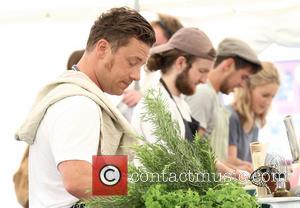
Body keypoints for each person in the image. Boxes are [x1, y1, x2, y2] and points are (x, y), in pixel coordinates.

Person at [15, 7, 155, 208]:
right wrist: (142, 191)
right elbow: (78, 179)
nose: (136, 75)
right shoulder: (79, 104)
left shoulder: (71, 96)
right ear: (102, 48)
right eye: (132, 62)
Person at [185, 38, 262, 169]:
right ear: (228, 65)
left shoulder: (215, 97)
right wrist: (234, 172)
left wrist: (237, 168)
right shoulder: (204, 94)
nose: (242, 85)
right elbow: (191, 154)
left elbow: (212, 156)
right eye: (243, 77)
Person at [118, 13, 184, 121]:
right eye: (148, 44)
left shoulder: (180, 78)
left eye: (156, 45)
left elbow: (174, 115)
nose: (149, 51)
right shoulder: (143, 69)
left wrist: (144, 101)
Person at [227, 62, 280, 170]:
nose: (268, 102)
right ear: (247, 89)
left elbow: (255, 159)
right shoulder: (231, 117)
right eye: (265, 95)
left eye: (272, 97)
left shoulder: (254, 122)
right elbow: (230, 160)